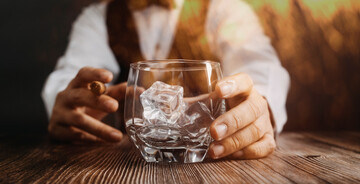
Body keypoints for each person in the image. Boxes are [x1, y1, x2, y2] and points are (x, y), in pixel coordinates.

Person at [42, 0, 290, 159]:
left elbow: (261, 68)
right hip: (130, 165)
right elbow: (69, 77)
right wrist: (72, 105)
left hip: (207, 164)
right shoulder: (97, 18)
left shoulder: (225, 9)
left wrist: (259, 106)